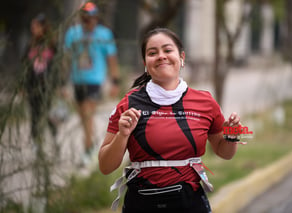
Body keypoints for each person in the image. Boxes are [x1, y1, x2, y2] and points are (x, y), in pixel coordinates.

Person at [98, 28, 242, 213]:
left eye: (167, 50)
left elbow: (225, 152)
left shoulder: (206, 102)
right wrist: (122, 135)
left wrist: (233, 133)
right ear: (145, 63)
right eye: (152, 53)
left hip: (190, 204)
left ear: (181, 57)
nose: (161, 56)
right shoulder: (128, 104)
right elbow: (105, 166)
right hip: (142, 204)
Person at [64, 2, 120, 164]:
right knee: (82, 116)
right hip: (77, 80)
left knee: (88, 114)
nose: (88, 22)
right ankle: (90, 142)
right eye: (85, 18)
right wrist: (62, 83)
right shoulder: (72, 34)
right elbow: (66, 60)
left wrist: (115, 81)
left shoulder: (104, 34)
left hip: (95, 81)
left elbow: (112, 59)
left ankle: (87, 150)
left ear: (96, 18)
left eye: (91, 18)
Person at [23, 13, 58, 144]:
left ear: (43, 27)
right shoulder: (30, 44)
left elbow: (57, 66)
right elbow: (25, 66)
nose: (34, 29)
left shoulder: (52, 45)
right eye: (33, 26)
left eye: (36, 26)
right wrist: (23, 85)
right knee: (34, 113)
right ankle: (35, 141)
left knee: (45, 112)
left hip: (47, 85)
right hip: (32, 85)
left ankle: (53, 134)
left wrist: (58, 85)